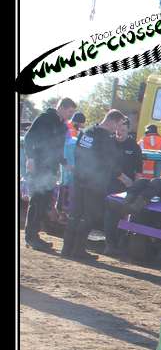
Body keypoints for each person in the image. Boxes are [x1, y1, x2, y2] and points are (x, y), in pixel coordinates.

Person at [66, 110, 128, 260]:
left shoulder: (87, 132)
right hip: (95, 183)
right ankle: (78, 250)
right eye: (119, 124)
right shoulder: (106, 138)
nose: (118, 129)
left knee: (75, 214)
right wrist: (123, 177)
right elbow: (110, 162)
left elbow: (77, 153)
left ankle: (67, 249)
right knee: (90, 216)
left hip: (79, 179)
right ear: (112, 121)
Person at [23, 97, 76, 252]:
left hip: (51, 169)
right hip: (39, 166)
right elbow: (28, 138)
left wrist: (65, 163)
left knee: (45, 202)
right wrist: (30, 158)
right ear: (61, 108)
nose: (71, 115)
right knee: (37, 201)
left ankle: (35, 235)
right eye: (70, 111)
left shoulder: (62, 126)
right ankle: (31, 237)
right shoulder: (44, 118)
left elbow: (58, 150)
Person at [103, 123, 142, 255]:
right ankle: (110, 245)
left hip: (127, 187)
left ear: (128, 131)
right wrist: (123, 177)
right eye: (118, 130)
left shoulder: (134, 146)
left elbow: (139, 169)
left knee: (124, 214)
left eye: (123, 130)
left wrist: (136, 186)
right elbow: (107, 164)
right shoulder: (109, 142)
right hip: (110, 184)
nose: (120, 133)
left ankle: (120, 243)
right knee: (111, 215)